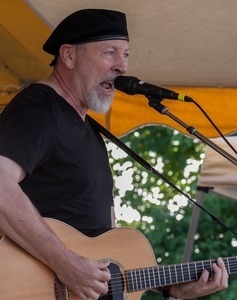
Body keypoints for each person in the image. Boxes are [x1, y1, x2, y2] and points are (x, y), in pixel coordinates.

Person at [0, 8, 228, 300]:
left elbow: (107, 249)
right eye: (109, 53)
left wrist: (173, 288)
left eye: (126, 55)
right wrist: (63, 262)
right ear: (68, 56)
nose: (122, 66)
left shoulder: (88, 131)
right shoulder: (39, 110)